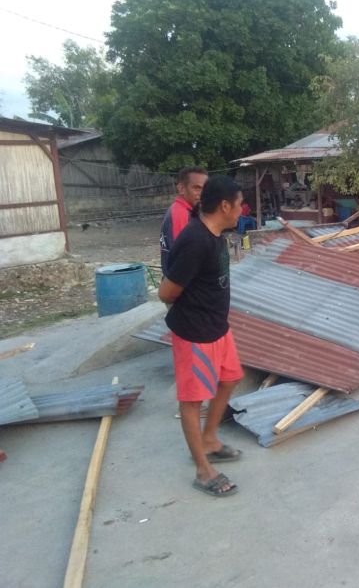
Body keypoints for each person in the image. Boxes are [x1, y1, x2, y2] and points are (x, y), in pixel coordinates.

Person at [158, 175, 245, 497]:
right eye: (239, 205)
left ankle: (210, 439)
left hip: (217, 327)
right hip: (195, 332)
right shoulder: (195, 240)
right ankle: (202, 469)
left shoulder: (216, 234)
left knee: (230, 378)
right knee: (192, 401)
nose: (241, 211)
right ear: (225, 206)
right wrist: (195, 306)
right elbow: (166, 292)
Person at [160, 166, 208, 274]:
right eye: (197, 188)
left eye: (204, 188)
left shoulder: (186, 211)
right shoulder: (180, 214)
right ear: (181, 189)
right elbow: (184, 257)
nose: (202, 194)